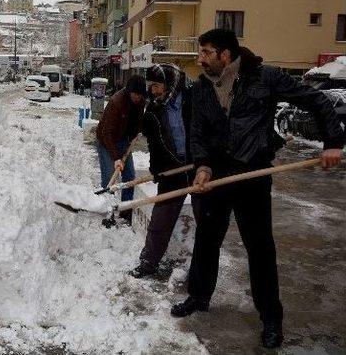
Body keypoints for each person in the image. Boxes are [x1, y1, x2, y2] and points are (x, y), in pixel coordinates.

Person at [171, 29, 344, 348]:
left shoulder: (265, 78)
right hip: (218, 174)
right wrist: (203, 166)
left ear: (225, 54)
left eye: (207, 52)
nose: (200, 59)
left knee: (260, 248)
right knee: (207, 238)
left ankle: (271, 319)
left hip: (252, 173)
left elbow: (316, 99)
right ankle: (199, 295)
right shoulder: (201, 89)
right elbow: (198, 132)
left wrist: (332, 141)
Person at [130, 63, 198, 278]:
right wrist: (157, 168)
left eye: (157, 85)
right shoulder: (153, 110)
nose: (153, 90)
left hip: (200, 168)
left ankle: (200, 270)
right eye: (151, 86)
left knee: (206, 221)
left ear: (171, 83)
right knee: (160, 220)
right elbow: (154, 144)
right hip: (173, 170)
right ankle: (148, 263)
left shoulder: (193, 101)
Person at [96, 75, 147, 227]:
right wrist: (116, 157)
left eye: (140, 95)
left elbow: (137, 121)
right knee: (109, 180)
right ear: (129, 92)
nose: (137, 97)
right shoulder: (116, 102)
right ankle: (108, 213)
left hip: (124, 140)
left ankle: (125, 211)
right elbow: (107, 133)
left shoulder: (140, 101)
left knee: (129, 177)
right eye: (135, 94)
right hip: (107, 141)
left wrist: (134, 136)